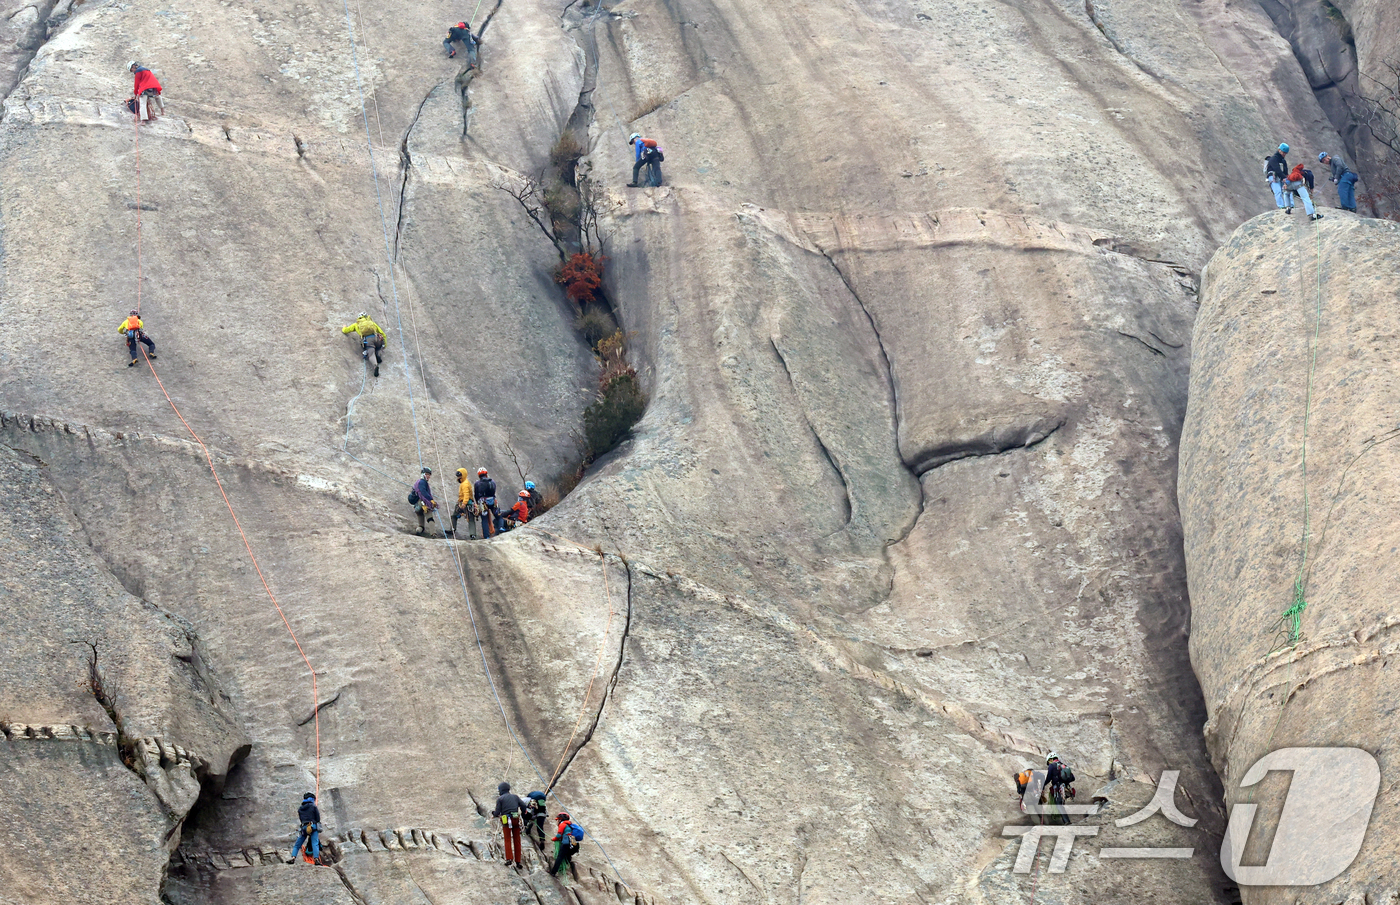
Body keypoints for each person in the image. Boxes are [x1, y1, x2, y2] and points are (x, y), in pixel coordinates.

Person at [491, 782, 527, 868]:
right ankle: (518, 861)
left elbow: (497, 812)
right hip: (516, 819)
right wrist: (523, 814)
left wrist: (493, 813)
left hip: (506, 820)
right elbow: (523, 806)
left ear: (501, 790)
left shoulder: (500, 799)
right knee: (517, 840)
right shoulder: (515, 797)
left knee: (507, 839)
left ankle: (509, 859)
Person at [288, 792, 321, 864]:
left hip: (304, 827)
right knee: (315, 843)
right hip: (312, 827)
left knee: (297, 845)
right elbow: (318, 818)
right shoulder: (313, 806)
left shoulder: (300, 808)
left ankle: (293, 857)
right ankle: (316, 859)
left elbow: (301, 819)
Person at [549, 812, 582, 876]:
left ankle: (553, 872)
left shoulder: (562, 824)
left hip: (566, 843)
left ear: (560, 819)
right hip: (574, 843)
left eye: (557, 820)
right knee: (568, 855)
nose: (557, 821)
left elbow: (559, 835)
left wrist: (553, 839)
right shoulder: (569, 825)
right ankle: (567, 867)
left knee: (560, 857)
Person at [411, 467, 439, 536]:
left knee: (421, 522)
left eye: (429, 475)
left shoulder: (417, 482)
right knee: (430, 518)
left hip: (417, 504)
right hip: (424, 503)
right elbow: (423, 492)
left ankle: (419, 530)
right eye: (427, 474)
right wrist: (431, 500)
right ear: (423, 474)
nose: (428, 476)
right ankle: (433, 533)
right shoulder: (423, 482)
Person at [451, 468, 477, 539]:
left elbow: (466, 495)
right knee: (471, 519)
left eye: (459, 476)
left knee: (454, 515)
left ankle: (452, 529)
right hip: (467, 503)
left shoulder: (465, 484)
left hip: (464, 503)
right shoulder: (465, 483)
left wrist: (464, 503)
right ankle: (473, 534)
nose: (458, 478)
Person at [473, 468, 498, 538]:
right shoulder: (492, 481)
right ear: (486, 474)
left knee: (484, 519)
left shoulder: (477, 483)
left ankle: (486, 536)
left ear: (479, 476)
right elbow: (494, 491)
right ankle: (500, 529)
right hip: (492, 501)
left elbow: (476, 494)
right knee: (498, 515)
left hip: (482, 502)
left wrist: (477, 503)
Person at [1265, 143, 1290, 211]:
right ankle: (1281, 206)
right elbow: (1277, 169)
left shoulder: (1283, 161)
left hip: (1281, 178)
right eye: (1283, 152)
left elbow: (1285, 171)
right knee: (1278, 191)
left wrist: (1286, 179)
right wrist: (1284, 178)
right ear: (1279, 150)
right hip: (1273, 177)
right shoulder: (1273, 159)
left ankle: (1290, 205)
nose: (1284, 154)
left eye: (1285, 153)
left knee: (1288, 190)